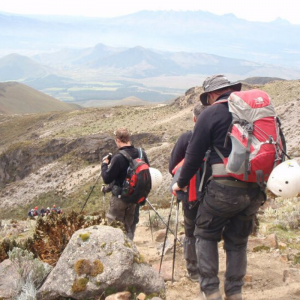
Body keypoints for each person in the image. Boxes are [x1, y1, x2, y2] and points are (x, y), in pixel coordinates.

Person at [172, 74, 266, 300]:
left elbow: (192, 158)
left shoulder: (211, 113)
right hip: (255, 189)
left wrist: (180, 184)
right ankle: (234, 293)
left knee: (204, 233)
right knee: (238, 242)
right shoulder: (256, 113)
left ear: (212, 95)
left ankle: (211, 291)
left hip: (223, 189)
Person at [169, 102, 207, 282]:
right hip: (215, 194)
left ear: (194, 119)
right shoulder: (220, 137)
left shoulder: (187, 138)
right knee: (209, 231)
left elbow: (173, 167)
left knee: (191, 231)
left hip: (191, 193)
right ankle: (208, 267)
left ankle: (193, 269)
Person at [101, 127, 150, 240]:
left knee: (114, 229)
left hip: (120, 199)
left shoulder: (118, 158)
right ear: (129, 138)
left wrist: (104, 164)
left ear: (117, 140)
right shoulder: (141, 153)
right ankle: (130, 249)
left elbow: (107, 178)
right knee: (129, 227)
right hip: (135, 198)